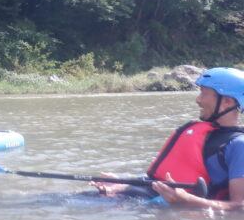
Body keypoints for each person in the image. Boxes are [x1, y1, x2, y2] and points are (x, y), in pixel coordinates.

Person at [93, 67, 244, 209]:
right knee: (87, 198)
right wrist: (124, 184)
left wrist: (188, 201)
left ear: (227, 102)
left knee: (80, 204)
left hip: (166, 207)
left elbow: (239, 207)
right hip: (148, 198)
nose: (198, 100)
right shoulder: (204, 133)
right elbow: (161, 179)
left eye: (203, 93)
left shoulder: (239, 145)